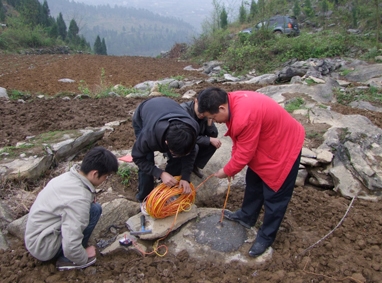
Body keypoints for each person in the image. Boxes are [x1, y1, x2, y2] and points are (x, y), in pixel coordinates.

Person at [197, 87, 305, 257]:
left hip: (284, 147)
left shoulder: (244, 116)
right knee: (254, 181)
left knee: (275, 196)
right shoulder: (232, 102)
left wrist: (227, 170)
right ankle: (247, 216)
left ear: (222, 108)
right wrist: (232, 164)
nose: (214, 121)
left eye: (213, 117)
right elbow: (239, 141)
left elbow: (245, 153)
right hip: (267, 142)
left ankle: (266, 236)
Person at [25, 147, 119, 271]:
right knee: (94, 211)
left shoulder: (69, 177)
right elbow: (71, 244)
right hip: (43, 247)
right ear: (95, 174)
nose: (105, 180)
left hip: (37, 236)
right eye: (105, 176)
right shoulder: (79, 198)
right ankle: (68, 260)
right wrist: (84, 256)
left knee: (93, 208)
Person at [132, 97, 199, 203]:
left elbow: (191, 151)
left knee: (177, 159)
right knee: (147, 159)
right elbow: (137, 157)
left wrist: (185, 177)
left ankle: (166, 189)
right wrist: (159, 173)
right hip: (144, 113)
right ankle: (144, 198)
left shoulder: (192, 129)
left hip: (167, 109)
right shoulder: (148, 137)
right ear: (166, 143)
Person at [180, 94, 222, 178]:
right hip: (182, 142)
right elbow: (185, 137)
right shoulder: (184, 111)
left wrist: (209, 122)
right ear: (196, 101)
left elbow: (213, 135)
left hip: (196, 139)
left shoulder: (205, 113)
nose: (202, 114)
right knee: (195, 146)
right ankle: (181, 166)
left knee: (214, 143)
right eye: (201, 110)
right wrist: (208, 139)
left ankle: (194, 165)